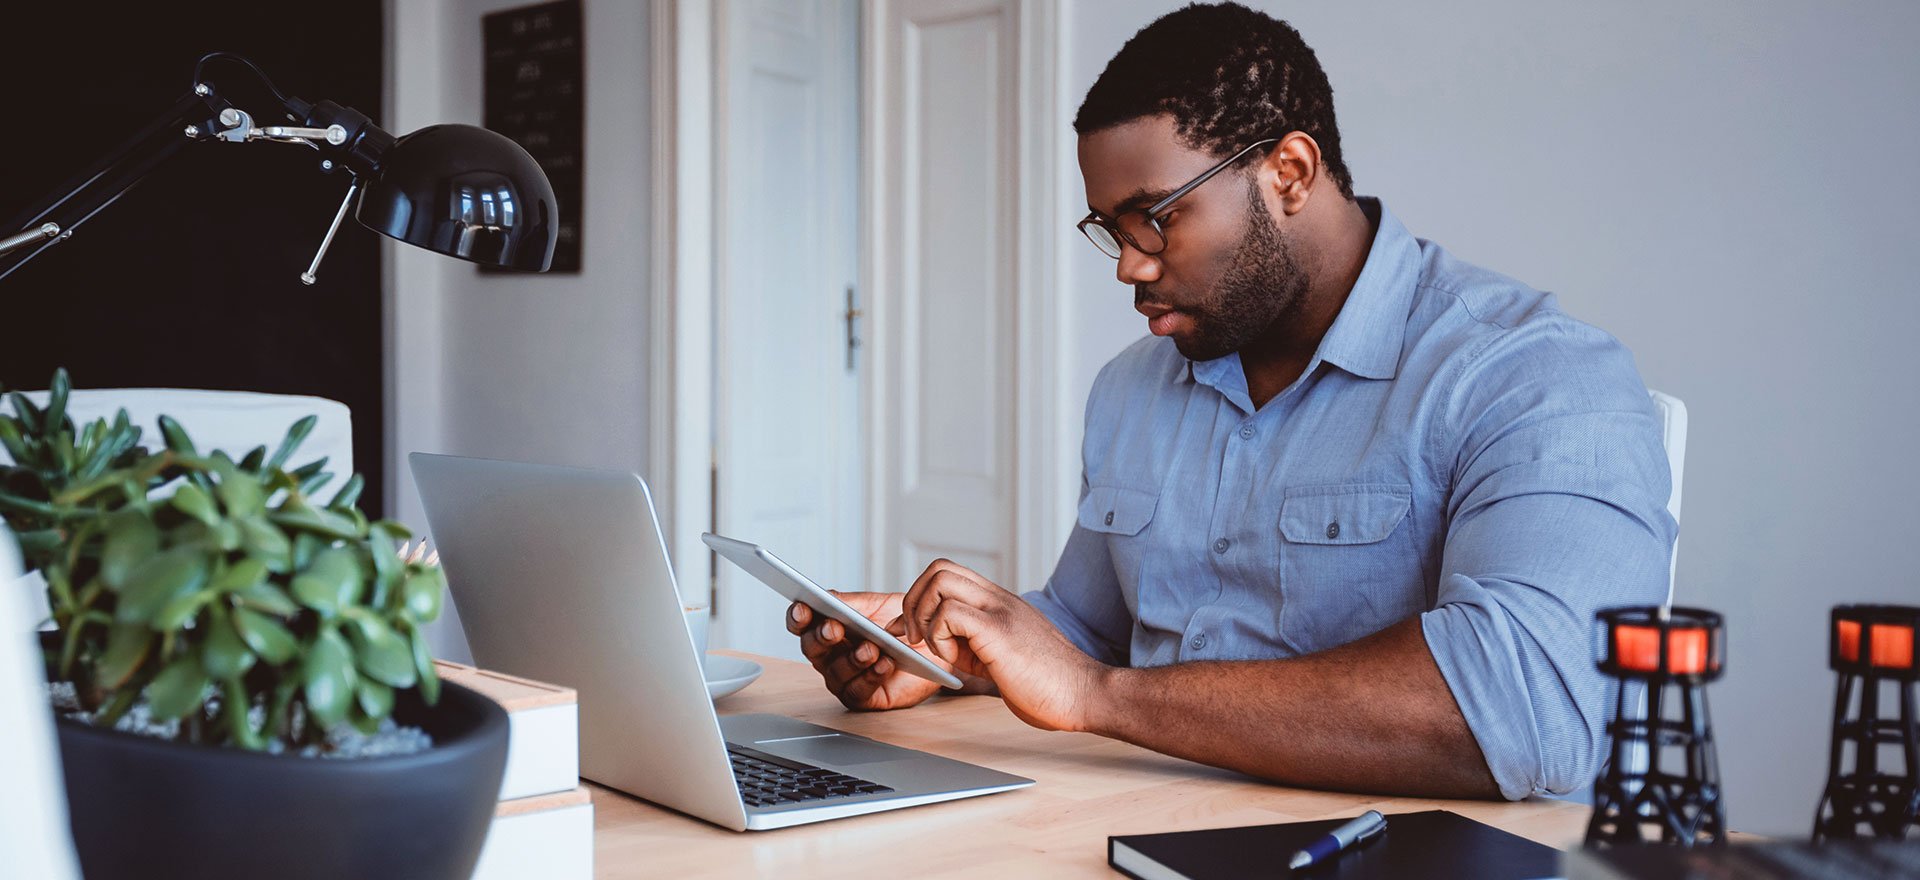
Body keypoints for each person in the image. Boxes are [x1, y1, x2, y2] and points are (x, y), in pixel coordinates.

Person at [786, 2, 1674, 800]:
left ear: (1289, 171)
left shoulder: (1531, 376)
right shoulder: (1134, 386)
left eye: (1157, 216)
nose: (1130, 265)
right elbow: (1089, 629)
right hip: (1121, 823)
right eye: (1111, 230)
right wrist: (948, 652)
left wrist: (1098, 696)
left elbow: (1527, 711)